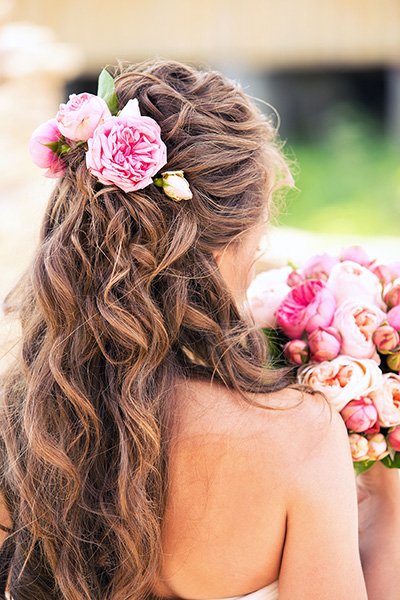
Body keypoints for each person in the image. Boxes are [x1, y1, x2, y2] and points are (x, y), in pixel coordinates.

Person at [0, 58, 399, 600]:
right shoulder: (298, 436)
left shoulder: (18, 418)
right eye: (254, 255)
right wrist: (388, 494)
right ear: (221, 249)